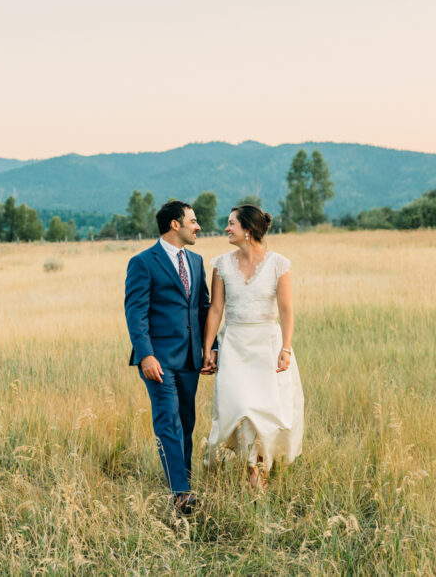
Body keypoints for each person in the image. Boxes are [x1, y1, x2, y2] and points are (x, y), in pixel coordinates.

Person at [201, 204, 304, 490]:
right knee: (240, 408)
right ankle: (254, 473)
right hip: (234, 345)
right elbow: (215, 309)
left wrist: (286, 348)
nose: (226, 228)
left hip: (267, 347)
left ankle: (260, 474)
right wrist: (208, 348)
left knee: (265, 413)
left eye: (231, 223)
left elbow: (286, 310)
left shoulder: (279, 264)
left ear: (248, 230)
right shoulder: (221, 264)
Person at [124, 200, 213, 514]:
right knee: (168, 422)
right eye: (192, 220)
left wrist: (210, 348)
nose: (197, 225)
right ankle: (181, 493)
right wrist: (146, 355)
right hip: (158, 360)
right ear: (175, 224)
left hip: (190, 358)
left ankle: (182, 481)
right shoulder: (143, 262)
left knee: (186, 422)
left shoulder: (198, 261)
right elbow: (136, 314)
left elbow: (203, 308)